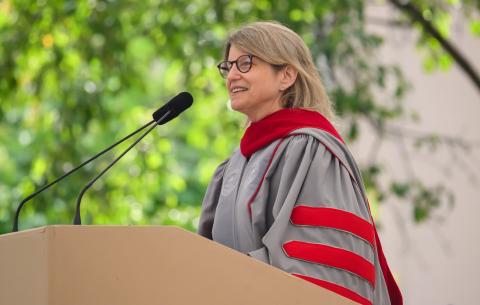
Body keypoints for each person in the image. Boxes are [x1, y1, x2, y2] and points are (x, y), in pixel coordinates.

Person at [198, 21, 402, 305]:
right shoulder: (231, 168)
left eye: (245, 63)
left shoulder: (313, 150)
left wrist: (234, 278)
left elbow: (321, 268)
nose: (232, 75)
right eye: (228, 66)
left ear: (287, 76)